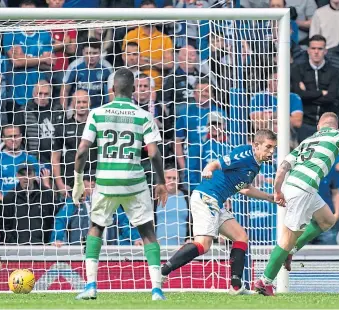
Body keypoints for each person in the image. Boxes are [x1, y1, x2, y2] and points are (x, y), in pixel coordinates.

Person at [254, 112, 339, 296]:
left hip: (296, 186)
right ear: (336, 127)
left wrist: (277, 190)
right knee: (287, 238)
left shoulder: (307, 141)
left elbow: (283, 166)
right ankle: (264, 281)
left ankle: (291, 250)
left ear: (318, 127)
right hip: (303, 189)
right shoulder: (337, 135)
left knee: (327, 220)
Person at [71, 68, 168, 301]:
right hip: (134, 182)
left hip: (105, 182)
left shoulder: (97, 113)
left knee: (96, 228)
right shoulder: (143, 115)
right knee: (147, 232)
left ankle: (91, 286)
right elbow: (154, 154)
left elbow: (82, 150)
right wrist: (161, 182)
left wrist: (78, 182)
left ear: (112, 89)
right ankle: (156, 290)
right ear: (134, 90)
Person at [160, 129, 277, 295]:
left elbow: (245, 188)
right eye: (268, 147)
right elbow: (216, 163)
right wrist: (208, 169)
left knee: (241, 237)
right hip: (206, 197)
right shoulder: (245, 154)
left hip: (217, 201)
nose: (271, 151)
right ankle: (163, 271)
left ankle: (236, 287)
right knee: (203, 244)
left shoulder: (256, 165)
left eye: (274, 148)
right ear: (256, 145)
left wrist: (269, 197)